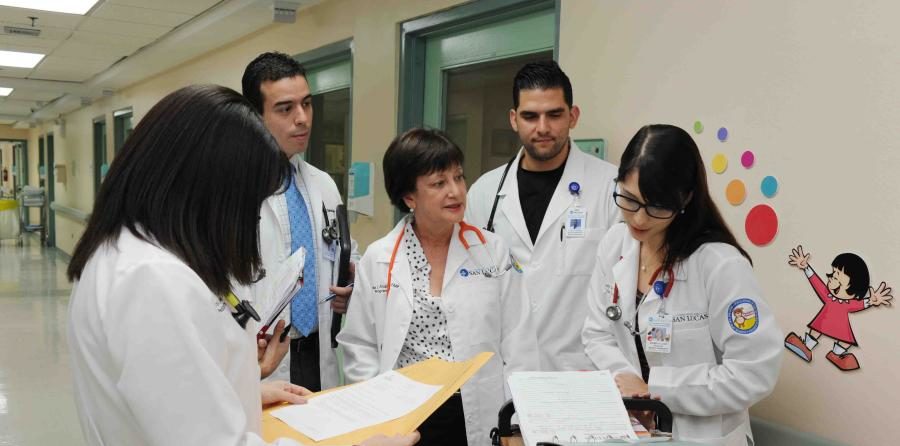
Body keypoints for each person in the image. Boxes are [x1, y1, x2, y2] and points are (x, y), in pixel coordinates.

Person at [65, 84, 419, 446]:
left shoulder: (126, 254)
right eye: (249, 200)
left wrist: (242, 391)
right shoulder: (152, 279)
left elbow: (170, 403)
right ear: (205, 189)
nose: (250, 216)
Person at [582, 124, 783, 445]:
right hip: (634, 427)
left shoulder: (720, 264)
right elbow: (597, 334)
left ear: (686, 198)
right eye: (629, 199)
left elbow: (753, 372)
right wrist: (629, 386)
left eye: (657, 206)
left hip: (704, 437)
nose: (639, 219)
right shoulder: (614, 244)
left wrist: (655, 389)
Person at [339, 128, 537, 446]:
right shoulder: (379, 258)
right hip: (406, 413)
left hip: (477, 408)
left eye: (458, 177)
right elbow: (360, 344)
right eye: (439, 183)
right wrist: (375, 417)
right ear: (409, 197)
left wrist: (517, 421)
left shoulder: (493, 251)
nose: (455, 191)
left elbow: (519, 342)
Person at [466, 60, 619, 371]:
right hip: (505, 372)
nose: (543, 128)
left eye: (554, 114)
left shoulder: (611, 188)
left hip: (583, 371)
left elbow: (624, 286)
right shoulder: (484, 192)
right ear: (514, 119)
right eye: (530, 116)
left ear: (573, 116)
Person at [240, 52, 357, 388]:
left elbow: (343, 252)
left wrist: (350, 282)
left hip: (319, 354)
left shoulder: (323, 184)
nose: (302, 118)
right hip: (260, 359)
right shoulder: (233, 192)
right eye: (285, 109)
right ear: (254, 116)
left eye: (306, 104)